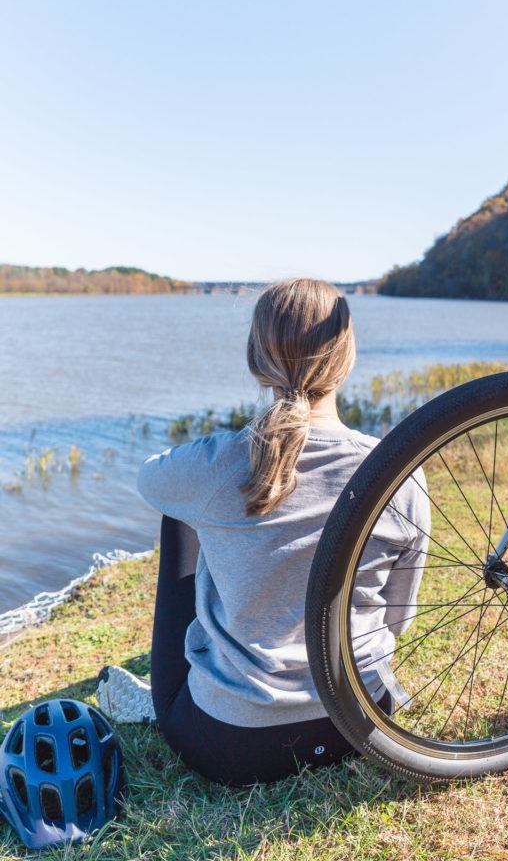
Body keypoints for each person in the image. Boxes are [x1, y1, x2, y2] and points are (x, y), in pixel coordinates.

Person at [97, 278, 430, 785]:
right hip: (362, 724)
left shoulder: (217, 463)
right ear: (347, 357)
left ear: (256, 359)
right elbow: (397, 618)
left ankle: (180, 685)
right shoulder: (398, 470)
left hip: (234, 745)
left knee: (180, 510)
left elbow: (150, 477)